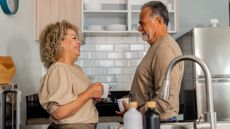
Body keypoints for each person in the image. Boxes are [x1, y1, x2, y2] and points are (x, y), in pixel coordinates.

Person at [38, 20, 103, 129]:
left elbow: (79, 101)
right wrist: (89, 93)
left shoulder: (76, 69)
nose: (79, 42)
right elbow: (59, 113)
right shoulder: (58, 69)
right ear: (60, 43)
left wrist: (94, 96)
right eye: (74, 38)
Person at [129, 1, 184, 121]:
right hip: (152, 119)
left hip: (158, 121)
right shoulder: (157, 46)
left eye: (142, 24)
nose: (139, 29)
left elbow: (165, 100)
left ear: (159, 21)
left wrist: (136, 112)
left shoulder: (165, 49)